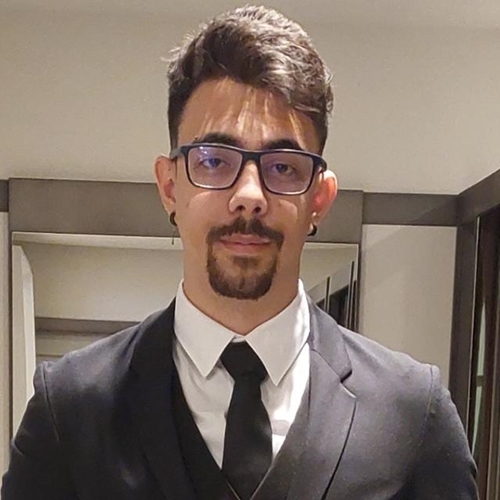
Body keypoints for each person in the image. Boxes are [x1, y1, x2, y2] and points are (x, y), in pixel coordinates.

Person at [2, 5, 477, 500]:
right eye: (213, 160)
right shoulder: (71, 409)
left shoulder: (411, 414)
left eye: (283, 167)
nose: (249, 195)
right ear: (170, 186)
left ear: (319, 199)